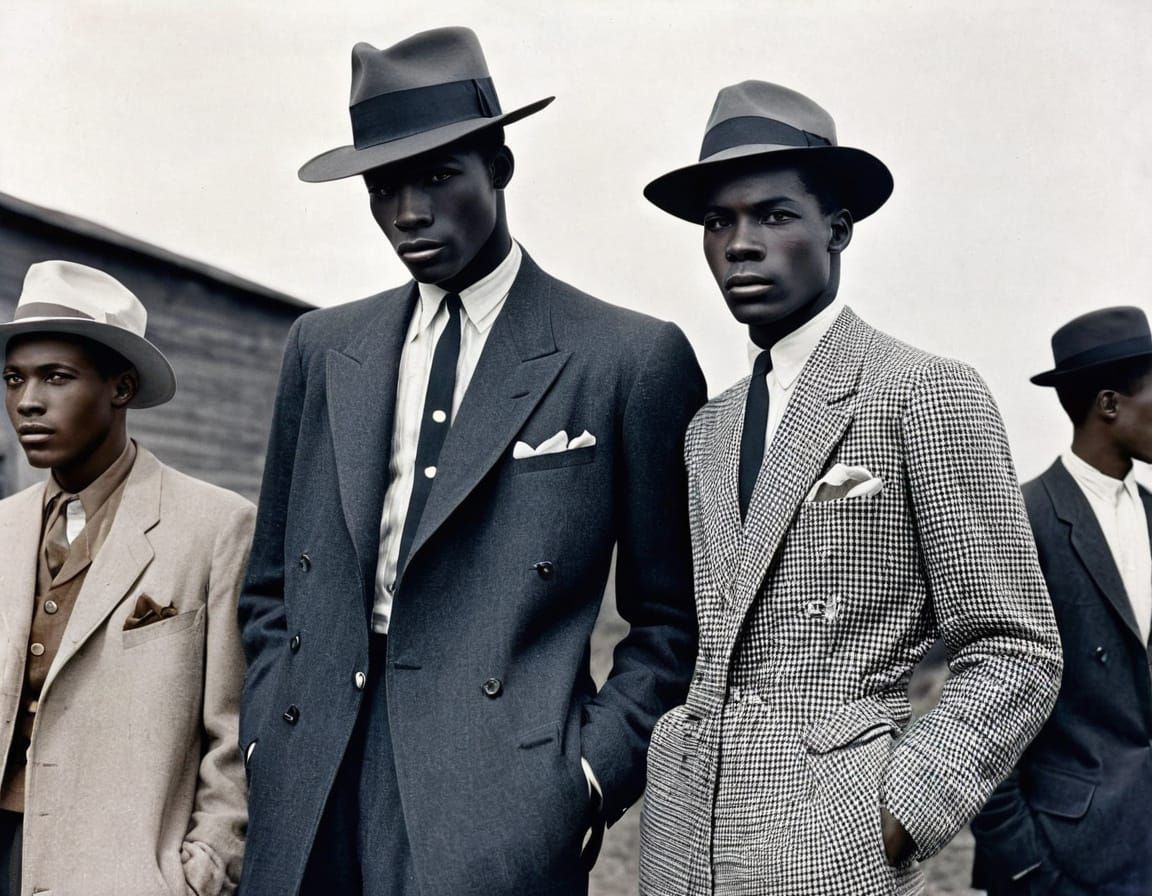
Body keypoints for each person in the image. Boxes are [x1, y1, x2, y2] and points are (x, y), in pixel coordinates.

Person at [238, 26, 706, 896]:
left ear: (501, 166)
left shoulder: (625, 359)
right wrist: (267, 732)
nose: (409, 212)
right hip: (310, 775)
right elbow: (271, 585)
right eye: (384, 188)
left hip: (499, 795)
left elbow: (675, 623)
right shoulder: (321, 347)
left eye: (438, 176)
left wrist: (585, 780)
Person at [636, 80, 1063, 896]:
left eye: (774, 215)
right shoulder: (708, 429)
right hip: (684, 845)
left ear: (838, 230)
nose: (740, 243)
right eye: (718, 221)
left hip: (830, 851)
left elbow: (1015, 646)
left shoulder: (922, 391)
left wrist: (893, 814)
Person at [0, 261, 251, 895]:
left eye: (56, 377)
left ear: (121, 387)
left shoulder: (215, 526)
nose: (27, 401)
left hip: (124, 869)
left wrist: (203, 869)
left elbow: (236, 730)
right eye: (13, 379)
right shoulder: (3, 526)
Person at [971, 306, 1152, 896]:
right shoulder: (1022, 521)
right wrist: (1028, 870)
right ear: (1108, 405)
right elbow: (980, 716)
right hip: (1068, 861)